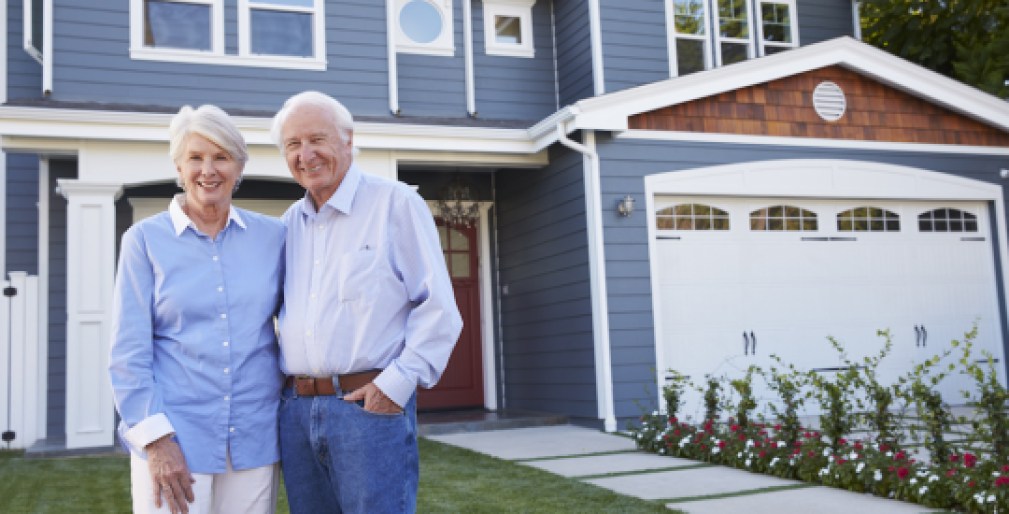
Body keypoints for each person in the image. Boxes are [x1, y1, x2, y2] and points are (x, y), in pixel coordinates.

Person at [272, 91, 463, 513]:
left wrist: (395, 387)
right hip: (297, 414)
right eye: (293, 145)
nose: (306, 155)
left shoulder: (395, 204)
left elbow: (439, 309)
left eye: (317, 139)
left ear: (348, 140)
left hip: (367, 410)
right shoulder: (287, 226)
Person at [109, 104, 286, 514]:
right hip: (175, 438)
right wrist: (155, 441)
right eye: (195, 157)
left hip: (253, 438)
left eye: (221, 157)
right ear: (178, 166)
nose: (209, 169)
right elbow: (128, 352)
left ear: (239, 167)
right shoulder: (144, 241)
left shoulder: (273, 236)